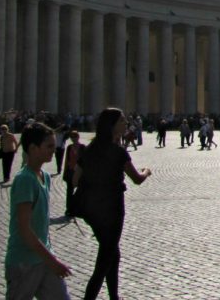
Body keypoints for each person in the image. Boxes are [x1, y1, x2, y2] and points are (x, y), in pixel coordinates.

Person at [74, 108, 152, 300]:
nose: (126, 124)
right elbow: (137, 178)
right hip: (112, 209)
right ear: (113, 126)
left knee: (112, 254)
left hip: (92, 210)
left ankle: (114, 297)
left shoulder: (89, 149)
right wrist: (147, 171)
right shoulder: (118, 153)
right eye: (122, 121)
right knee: (103, 262)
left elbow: (75, 180)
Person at [4, 123, 71, 300]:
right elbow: (25, 229)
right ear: (33, 148)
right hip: (23, 261)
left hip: (43, 257)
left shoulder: (45, 177)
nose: (54, 149)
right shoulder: (25, 179)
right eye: (49, 146)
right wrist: (53, 261)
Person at [62, 131, 84, 217]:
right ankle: (69, 209)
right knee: (69, 191)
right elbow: (67, 160)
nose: (73, 139)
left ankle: (78, 208)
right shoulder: (69, 147)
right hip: (70, 171)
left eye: (75, 137)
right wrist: (65, 173)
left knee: (80, 191)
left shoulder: (82, 147)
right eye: (72, 138)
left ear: (78, 137)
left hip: (80, 172)